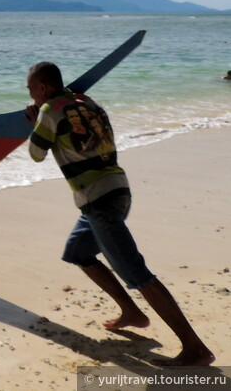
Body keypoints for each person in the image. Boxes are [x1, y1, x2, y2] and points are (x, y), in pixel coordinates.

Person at [24, 61, 214, 367]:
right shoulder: (89, 103)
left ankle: (195, 347)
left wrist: (35, 121)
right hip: (118, 191)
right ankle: (132, 313)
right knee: (78, 252)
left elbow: (35, 154)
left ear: (43, 88)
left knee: (138, 275)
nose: (30, 94)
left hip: (98, 200)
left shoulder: (48, 110)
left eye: (31, 89)